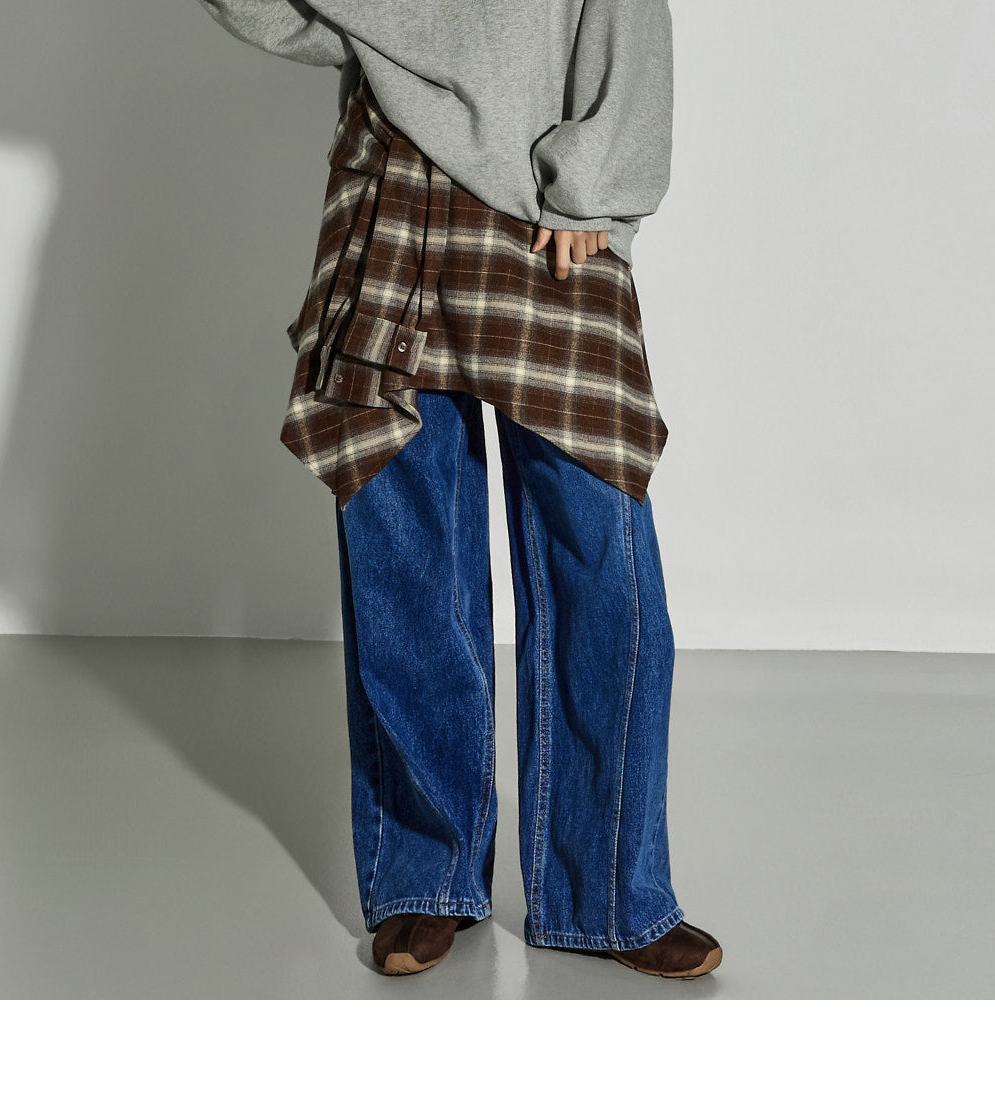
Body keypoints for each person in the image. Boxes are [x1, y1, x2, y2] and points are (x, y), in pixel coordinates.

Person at [197, 0, 723, 980]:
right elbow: (293, 20)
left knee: (599, 559)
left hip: (542, 211)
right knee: (408, 568)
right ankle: (424, 877)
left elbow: (626, 19)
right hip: (391, 202)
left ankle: (610, 891)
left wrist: (597, 184)